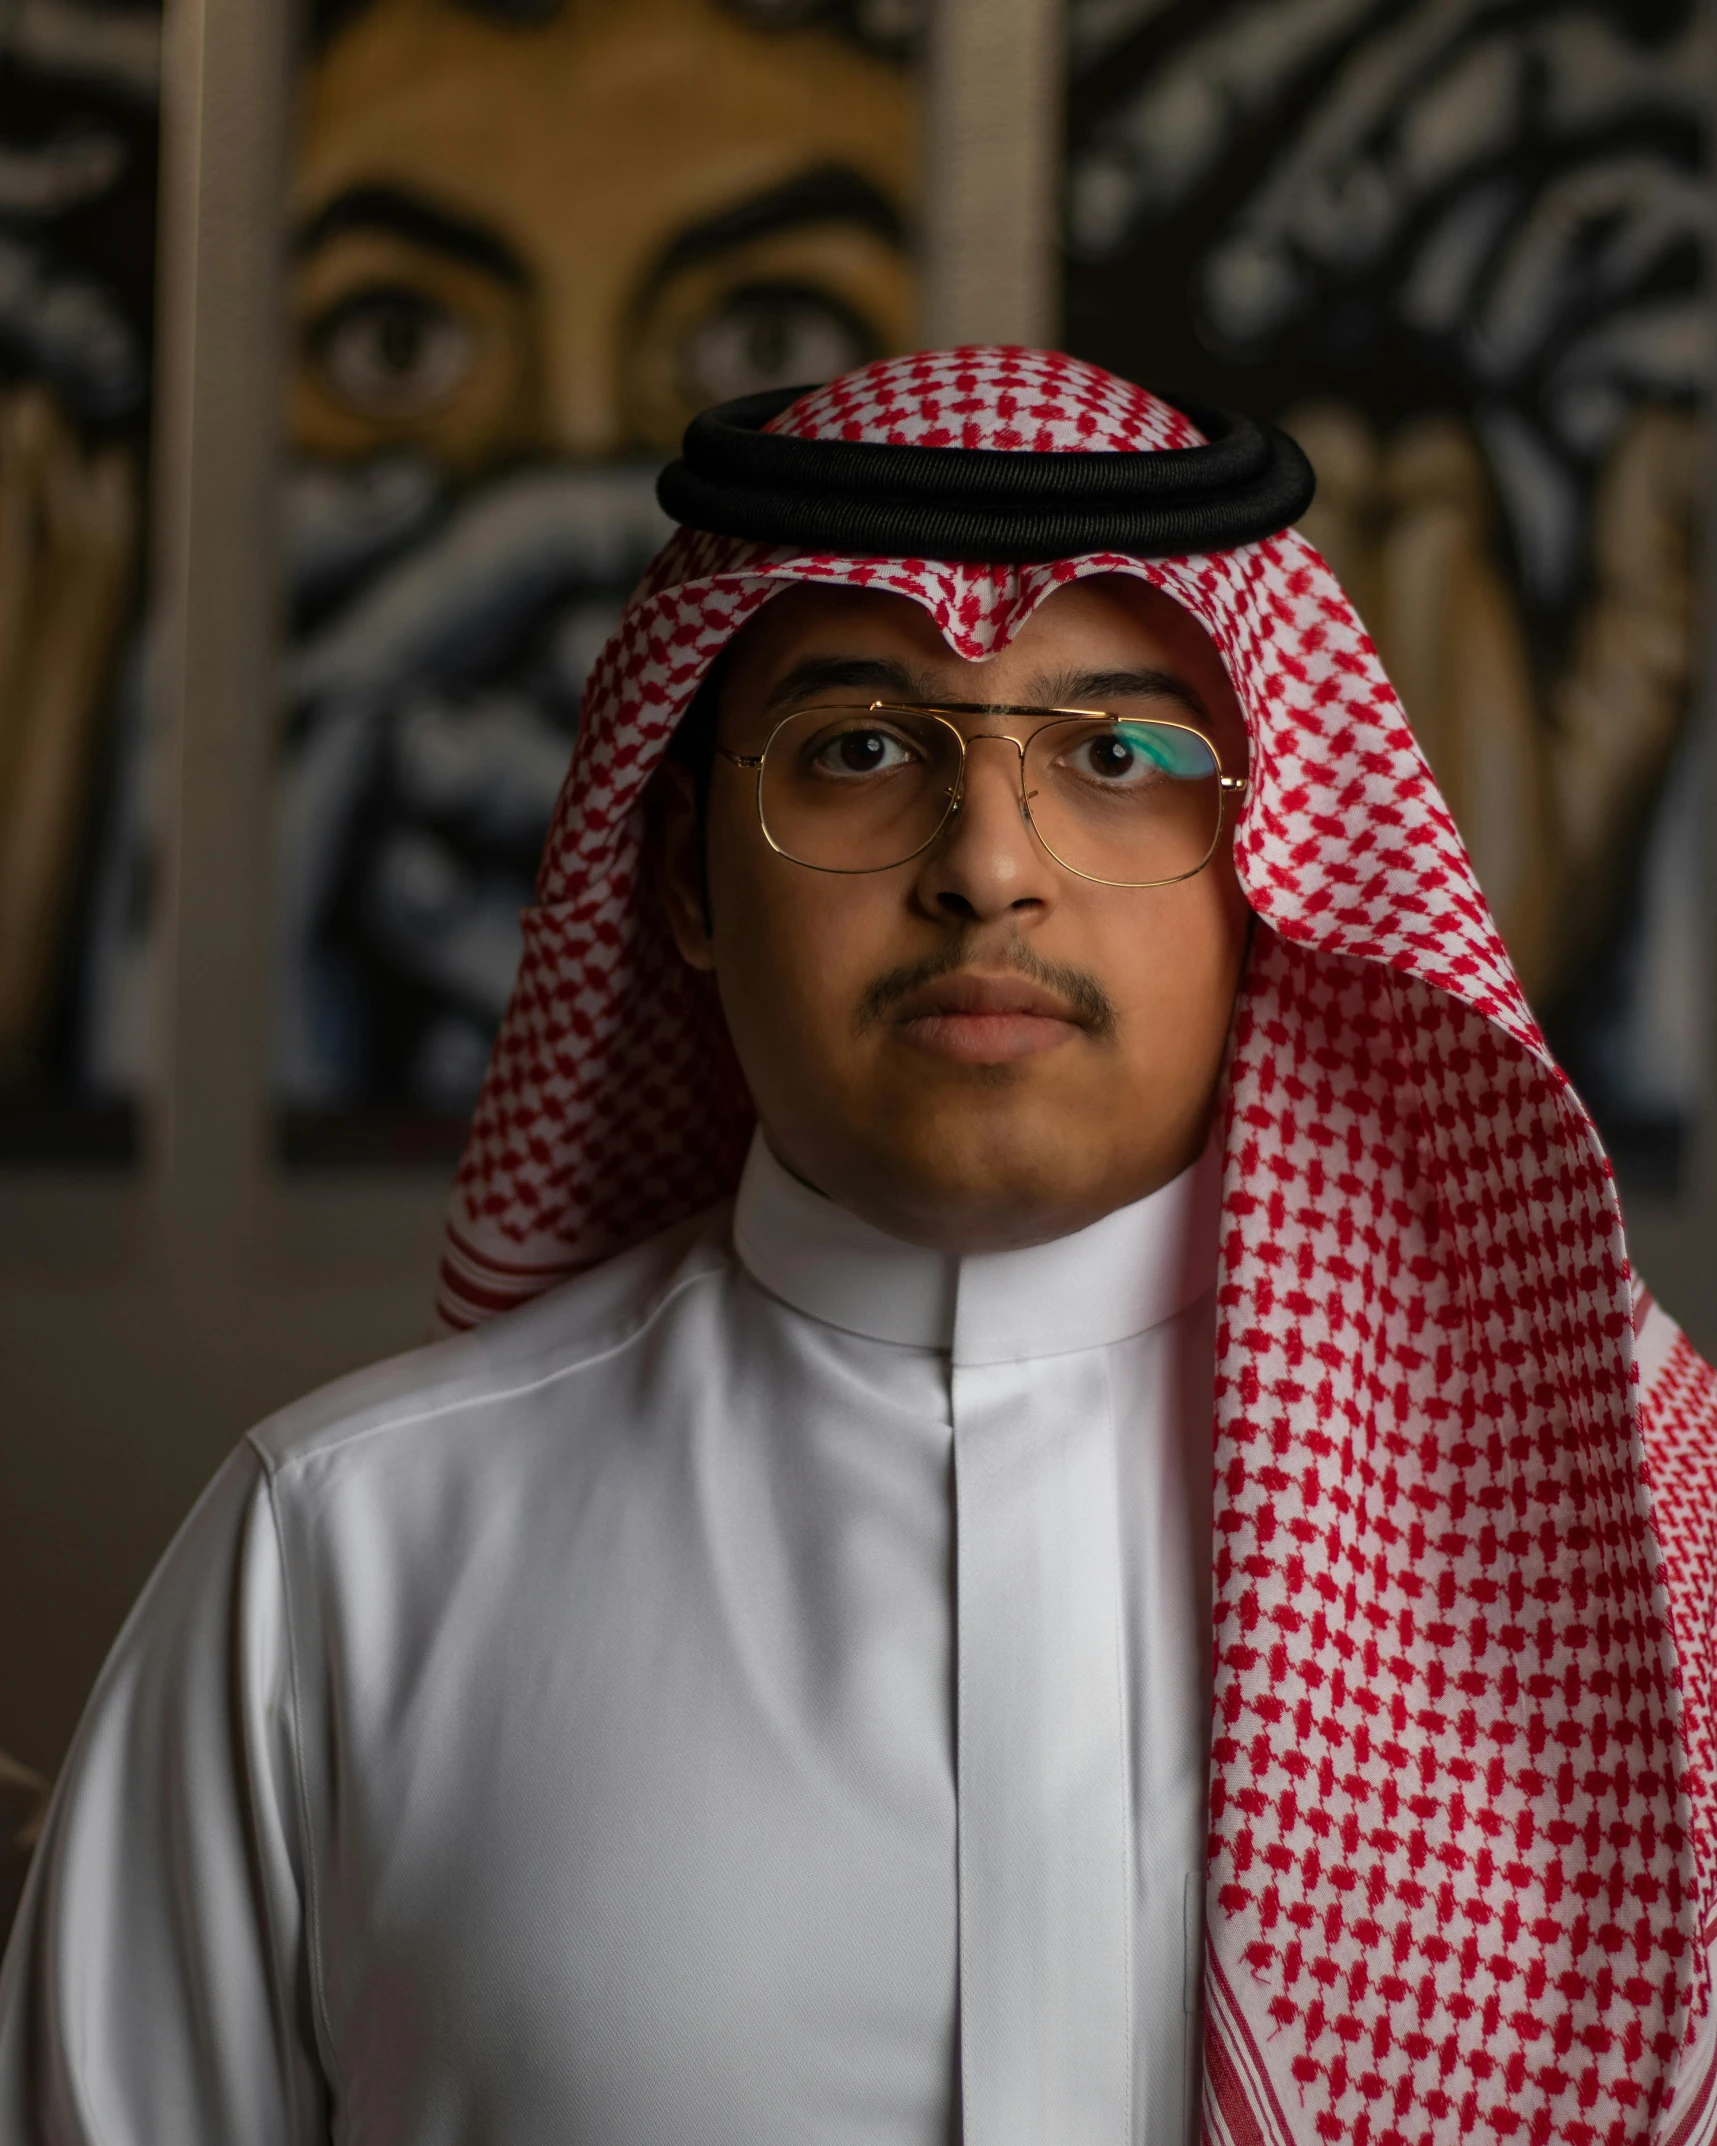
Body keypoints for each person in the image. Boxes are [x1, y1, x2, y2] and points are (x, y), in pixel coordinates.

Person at [4, 347, 1717, 2146]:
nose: (989, 861)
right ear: (677, 876)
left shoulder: (1654, 1567)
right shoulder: (335, 1560)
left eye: (1121, 754)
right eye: (861, 750)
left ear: (1272, 858)